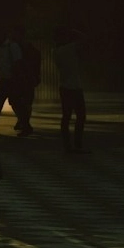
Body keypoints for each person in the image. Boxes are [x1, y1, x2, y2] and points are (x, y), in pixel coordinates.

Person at [53, 26, 87, 154]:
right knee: (80, 116)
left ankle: (67, 145)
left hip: (65, 87)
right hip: (75, 87)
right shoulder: (70, 48)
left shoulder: (56, 51)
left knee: (66, 117)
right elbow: (85, 39)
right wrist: (75, 31)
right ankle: (77, 144)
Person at [11, 25, 40, 135]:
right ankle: (23, 121)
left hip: (25, 78)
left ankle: (25, 124)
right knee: (19, 102)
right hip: (23, 78)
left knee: (23, 102)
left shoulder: (25, 49)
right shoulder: (27, 48)